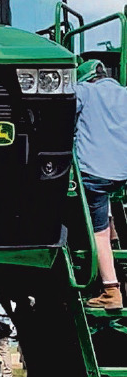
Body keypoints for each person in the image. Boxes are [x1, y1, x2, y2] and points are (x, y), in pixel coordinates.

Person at [74, 59, 127, 310]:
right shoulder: (123, 93)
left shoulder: (84, 91)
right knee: (108, 209)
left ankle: (110, 290)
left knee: (98, 233)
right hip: (121, 174)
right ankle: (116, 240)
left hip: (93, 172)